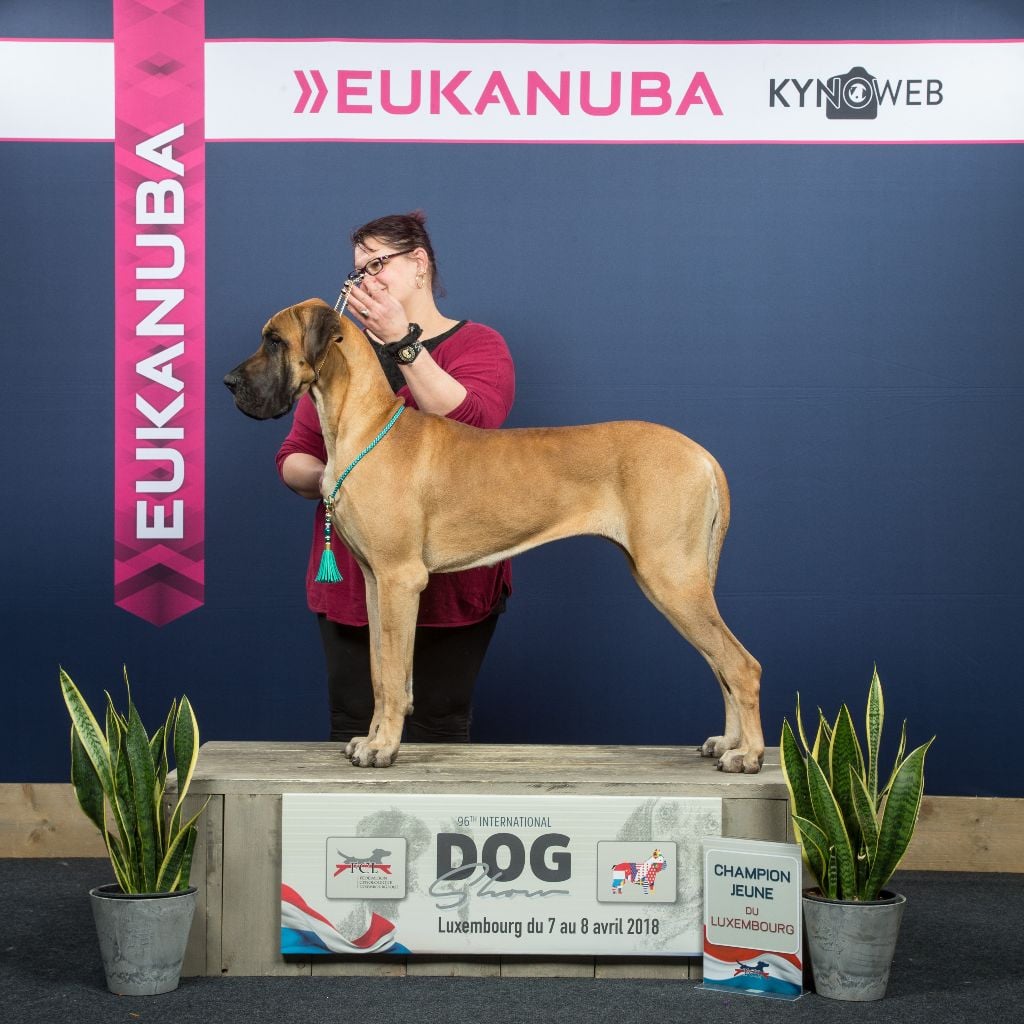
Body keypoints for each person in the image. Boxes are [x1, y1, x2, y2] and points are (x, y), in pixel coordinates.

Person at [276, 211, 515, 744]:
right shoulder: (341, 354)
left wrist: (402, 343)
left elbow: (474, 427)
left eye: (377, 264)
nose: (366, 280)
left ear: (419, 263)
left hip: (453, 592)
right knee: (351, 729)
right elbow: (294, 457)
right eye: (357, 271)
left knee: (438, 734)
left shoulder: (479, 344)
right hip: (352, 582)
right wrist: (336, 476)